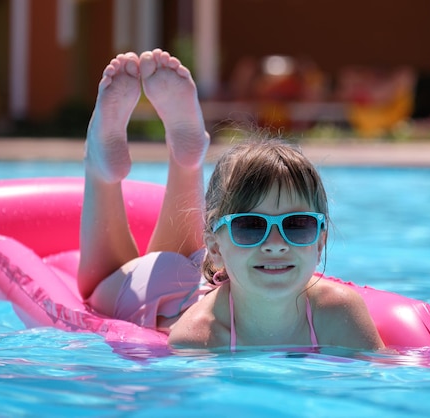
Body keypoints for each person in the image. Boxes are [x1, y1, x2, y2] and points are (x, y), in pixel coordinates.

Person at [79, 49, 384, 351]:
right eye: (250, 226)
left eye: (297, 225)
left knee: (184, 256)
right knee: (95, 287)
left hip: (218, 273)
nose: (275, 243)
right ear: (213, 248)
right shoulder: (199, 338)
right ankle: (102, 171)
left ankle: (184, 159)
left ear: (319, 242)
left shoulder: (343, 312)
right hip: (154, 290)